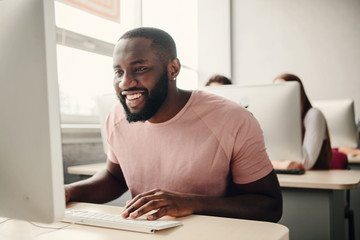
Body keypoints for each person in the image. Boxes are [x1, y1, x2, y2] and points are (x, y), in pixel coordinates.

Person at [65, 27, 282, 222]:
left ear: (173, 69)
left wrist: (192, 203)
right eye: (118, 72)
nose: (125, 82)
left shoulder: (232, 119)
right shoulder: (116, 117)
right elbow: (114, 178)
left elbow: (269, 205)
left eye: (139, 69)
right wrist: (67, 191)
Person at [271, 73, 332, 170]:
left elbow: (305, 163)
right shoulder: (280, 122)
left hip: (316, 181)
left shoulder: (313, 115)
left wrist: (276, 164)